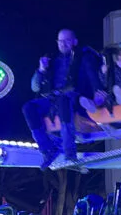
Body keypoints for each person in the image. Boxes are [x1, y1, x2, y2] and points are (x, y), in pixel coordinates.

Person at [22, 29, 101, 171]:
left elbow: (93, 75)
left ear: (74, 42)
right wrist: (41, 70)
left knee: (64, 100)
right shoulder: (51, 60)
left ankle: (70, 153)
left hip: (74, 97)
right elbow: (35, 87)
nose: (63, 44)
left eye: (67, 40)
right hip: (52, 99)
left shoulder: (84, 57)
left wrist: (97, 92)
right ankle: (47, 150)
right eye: (60, 41)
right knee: (28, 107)